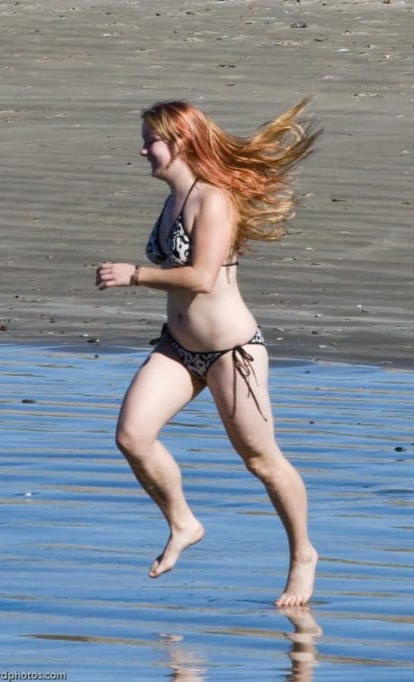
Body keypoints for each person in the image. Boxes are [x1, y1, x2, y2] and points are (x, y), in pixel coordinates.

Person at [96, 97, 320, 606]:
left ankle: (303, 555)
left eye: (151, 140)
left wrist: (135, 274)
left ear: (179, 143)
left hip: (229, 353)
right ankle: (183, 521)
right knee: (132, 436)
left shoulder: (212, 201)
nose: (142, 150)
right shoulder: (174, 197)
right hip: (178, 348)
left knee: (262, 461)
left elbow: (200, 277)